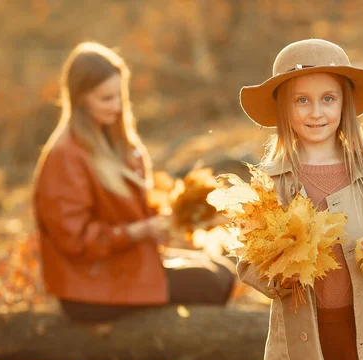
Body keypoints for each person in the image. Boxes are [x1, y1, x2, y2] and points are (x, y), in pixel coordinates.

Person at [236, 39, 363, 360]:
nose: (315, 112)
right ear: (283, 109)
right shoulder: (273, 182)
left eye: (328, 98)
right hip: (304, 330)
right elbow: (248, 262)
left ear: (344, 103)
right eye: (301, 100)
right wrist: (278, 272)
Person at [32, 42, 234, 323]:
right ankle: (178, 344)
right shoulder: (65, 156)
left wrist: (168, 222)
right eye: (105, 99)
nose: (116, 107)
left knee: (223, 271)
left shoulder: (114, 141)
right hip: (89, 287)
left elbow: (136, 209)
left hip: (122, 265)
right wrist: (138, 232)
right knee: (211, 283)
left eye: (119, 96)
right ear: (80, 99)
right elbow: (75, 240)